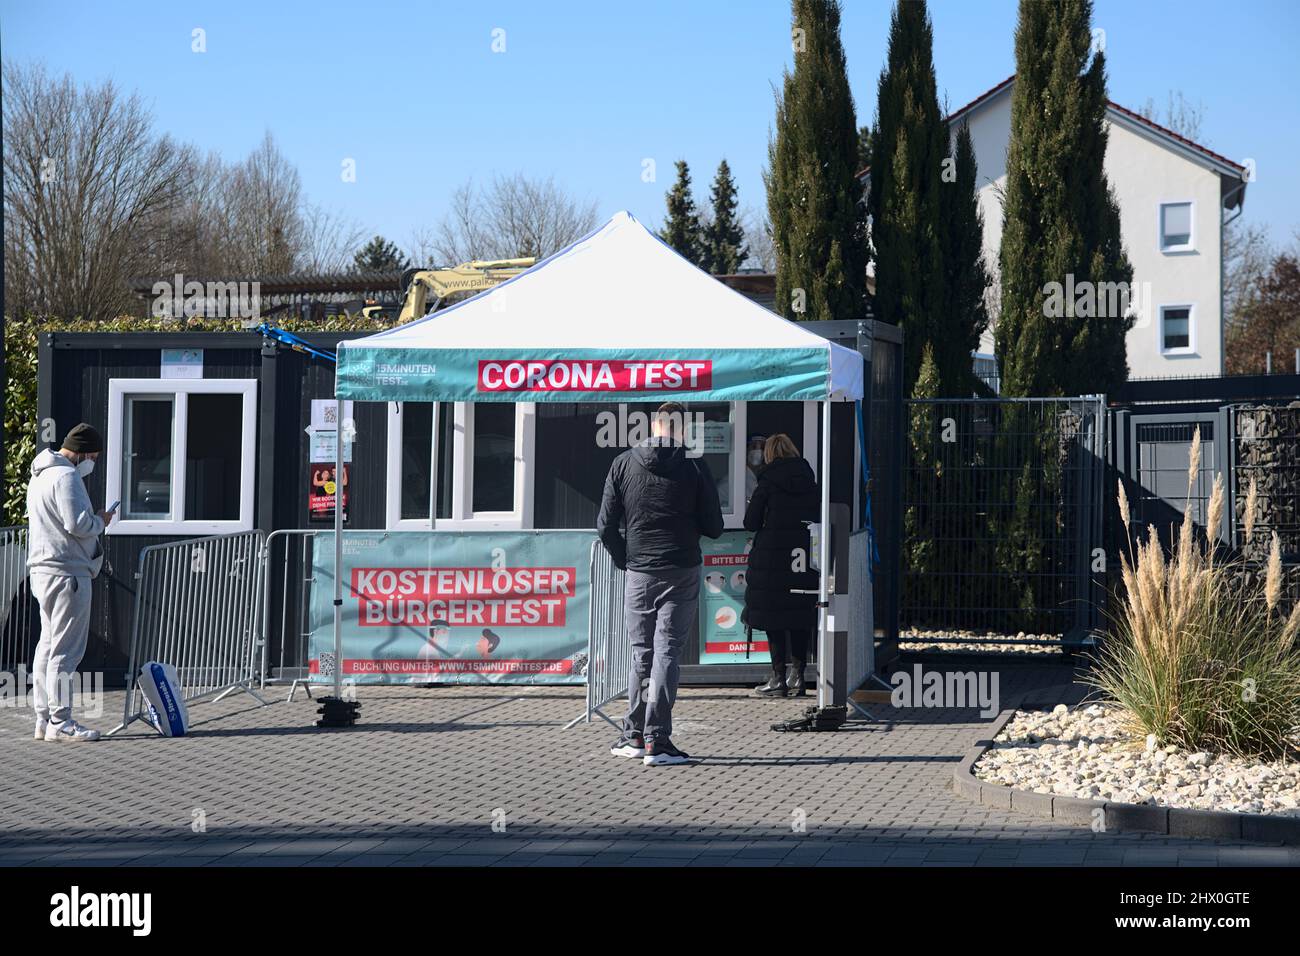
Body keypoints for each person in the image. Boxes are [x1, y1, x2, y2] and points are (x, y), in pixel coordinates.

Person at [598, 401, 723, 766]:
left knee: (641, 652)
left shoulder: (623, 463)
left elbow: (605, 526)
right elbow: (714, 526)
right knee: (667, 650)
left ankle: (632, 734)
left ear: (653, 425)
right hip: (682, 568)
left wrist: (627, 560)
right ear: (681, 428)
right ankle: (658, 740)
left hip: (639, 571)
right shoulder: (695, 466)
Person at [27, 423, 116, 742]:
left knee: (48, 645)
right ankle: (60, 722)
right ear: (82, 453)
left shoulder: (39, 475)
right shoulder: (66, 476)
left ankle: (42, 718)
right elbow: (78, 524)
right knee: (67, 650)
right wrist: (100, 521)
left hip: (42, 568)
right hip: (68, 572)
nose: (93, 462)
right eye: (92, 456)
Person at [742, 433, 819, 698]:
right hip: (802, 557)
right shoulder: (810, 481)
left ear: (770, 454)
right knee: (798, 614)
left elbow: (750, 522)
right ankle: (799, 677)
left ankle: (778, 679)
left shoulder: (767, 481)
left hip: (773, 561)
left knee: (774, 618)